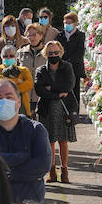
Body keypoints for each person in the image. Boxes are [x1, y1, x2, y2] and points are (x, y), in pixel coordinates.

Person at [0, 80, 53, 204]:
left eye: (9, 97)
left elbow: (43, 165)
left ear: (18, 102)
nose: (4, 101)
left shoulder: (36, 129)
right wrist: (23, 156)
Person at [36, 41, 78, 184]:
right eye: (50, 53)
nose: (53, 55)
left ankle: (64, 171)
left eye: (56, 53)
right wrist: (57, 94)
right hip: (46, 109)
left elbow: (69, 85)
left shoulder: (67, 67)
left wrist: (50, 87)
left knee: (63, 141)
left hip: (64, 109)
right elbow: (39, 89)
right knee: (50, 142)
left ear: (61, 53)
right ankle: (51, 171)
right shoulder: (41, 70)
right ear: (45, 54)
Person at [0, 46, 35, 116]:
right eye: (5, 56)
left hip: (22, 108)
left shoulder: (24, 70)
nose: (8, 58)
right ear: (1, 57)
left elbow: (29, 84)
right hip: (2, 108)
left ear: (16, 57)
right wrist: (17, 81)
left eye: (11, 56)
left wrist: (7, 87)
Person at [17, 24, 50, 116]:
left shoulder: (48, 53)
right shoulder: (21, 52)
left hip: (41, 96)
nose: (32, 38)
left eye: (34, 34)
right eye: (29, 35)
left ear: (41, 35)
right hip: (24, 96)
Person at [60, 11, 86, 116]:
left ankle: (75, 112)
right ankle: (64, 111)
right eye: (65, 23)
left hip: (75, 67)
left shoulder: (80, 35)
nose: (67, 25)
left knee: (75, 89)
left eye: (69, 23)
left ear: (75, 23)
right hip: (62, 67)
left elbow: (80, 52)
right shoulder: (60, 35)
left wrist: (69, 61)